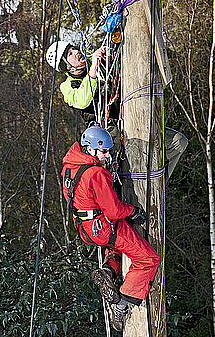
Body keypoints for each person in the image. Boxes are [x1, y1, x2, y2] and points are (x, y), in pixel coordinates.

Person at [61, 124, 160, 331]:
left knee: (115, 247)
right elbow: (114, 211)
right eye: (104, 151)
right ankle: (122, 305)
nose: (107, 156)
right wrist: (133, 210)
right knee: (148, 259)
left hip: (84, 228)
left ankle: (108, 271)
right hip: (103, 226)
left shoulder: (70, 166)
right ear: (90, 149)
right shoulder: (96, 173)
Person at [47, 40, 188, 179]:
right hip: (107, 129)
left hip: (131, 116)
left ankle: (159, 179)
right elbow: (82, 101)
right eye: (70, 53)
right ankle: (113, 188)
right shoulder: (67, 86)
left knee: (179, 142)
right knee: (110, 153)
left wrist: (111, 56)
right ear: (67, 66)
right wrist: (94, 69)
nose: (77, 52)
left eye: (74, 49)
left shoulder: (98, 61)